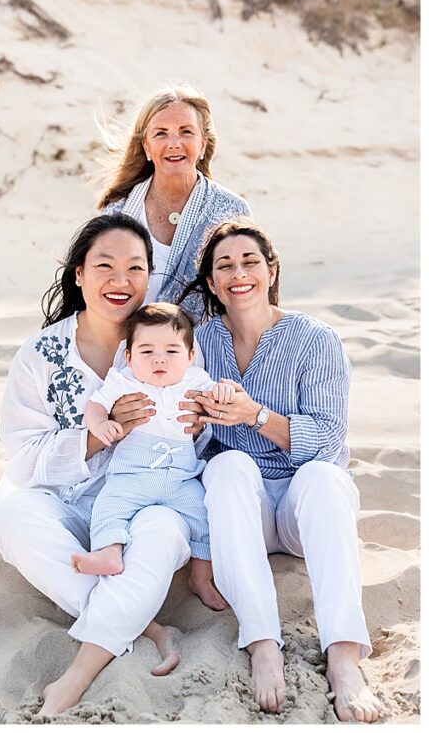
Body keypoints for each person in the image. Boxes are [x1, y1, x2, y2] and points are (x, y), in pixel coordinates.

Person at [0, 213, 200, 716]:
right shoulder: (42, 353)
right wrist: (97, 435)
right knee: (11, 516)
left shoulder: (171, 341)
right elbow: (21, 457)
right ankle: (143, 624)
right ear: (79, 274)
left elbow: (204, 427)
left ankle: (81, 668)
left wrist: (195, 420)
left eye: (135, 267)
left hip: (145, 494)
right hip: (63, 499)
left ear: (150, 277)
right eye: (104, 265)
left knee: (166, 530)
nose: (120, 280)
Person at [180, 218, 384, 722]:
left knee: (326, 476)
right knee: (226, 465)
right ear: (211, 283)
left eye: (250, 261)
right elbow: (190, 441)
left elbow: (328, 440)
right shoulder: (200, 343)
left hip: (302, 506)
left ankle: (342, 654)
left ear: (271, 271)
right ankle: (263, 643)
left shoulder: (315, 339)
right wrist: (194, 420)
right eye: (224, 266)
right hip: (240, 507)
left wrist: (255, 415)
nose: (238, 273)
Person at [71, 303, 233, 613]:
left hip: (181, 479)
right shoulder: (124, 380)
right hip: (133, 477)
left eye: (171, 351)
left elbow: (218, 398)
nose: (159, 358)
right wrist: (101, 423)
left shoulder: (196, 380)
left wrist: (225, 391)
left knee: (206, 517)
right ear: (129, 356)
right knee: (110, 506)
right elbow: (94, 406)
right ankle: (109, 551)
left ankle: (201, 577)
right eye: (146, 351)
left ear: (189, 356)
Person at [98, 85, 251, 321]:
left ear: (203, 143)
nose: (174, 143)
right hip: (128, 351)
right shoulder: (116, 213)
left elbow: (249, 298)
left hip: (206, 351)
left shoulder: (231, 211)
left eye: (186, 131)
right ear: (146, 146)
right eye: (161, 133)